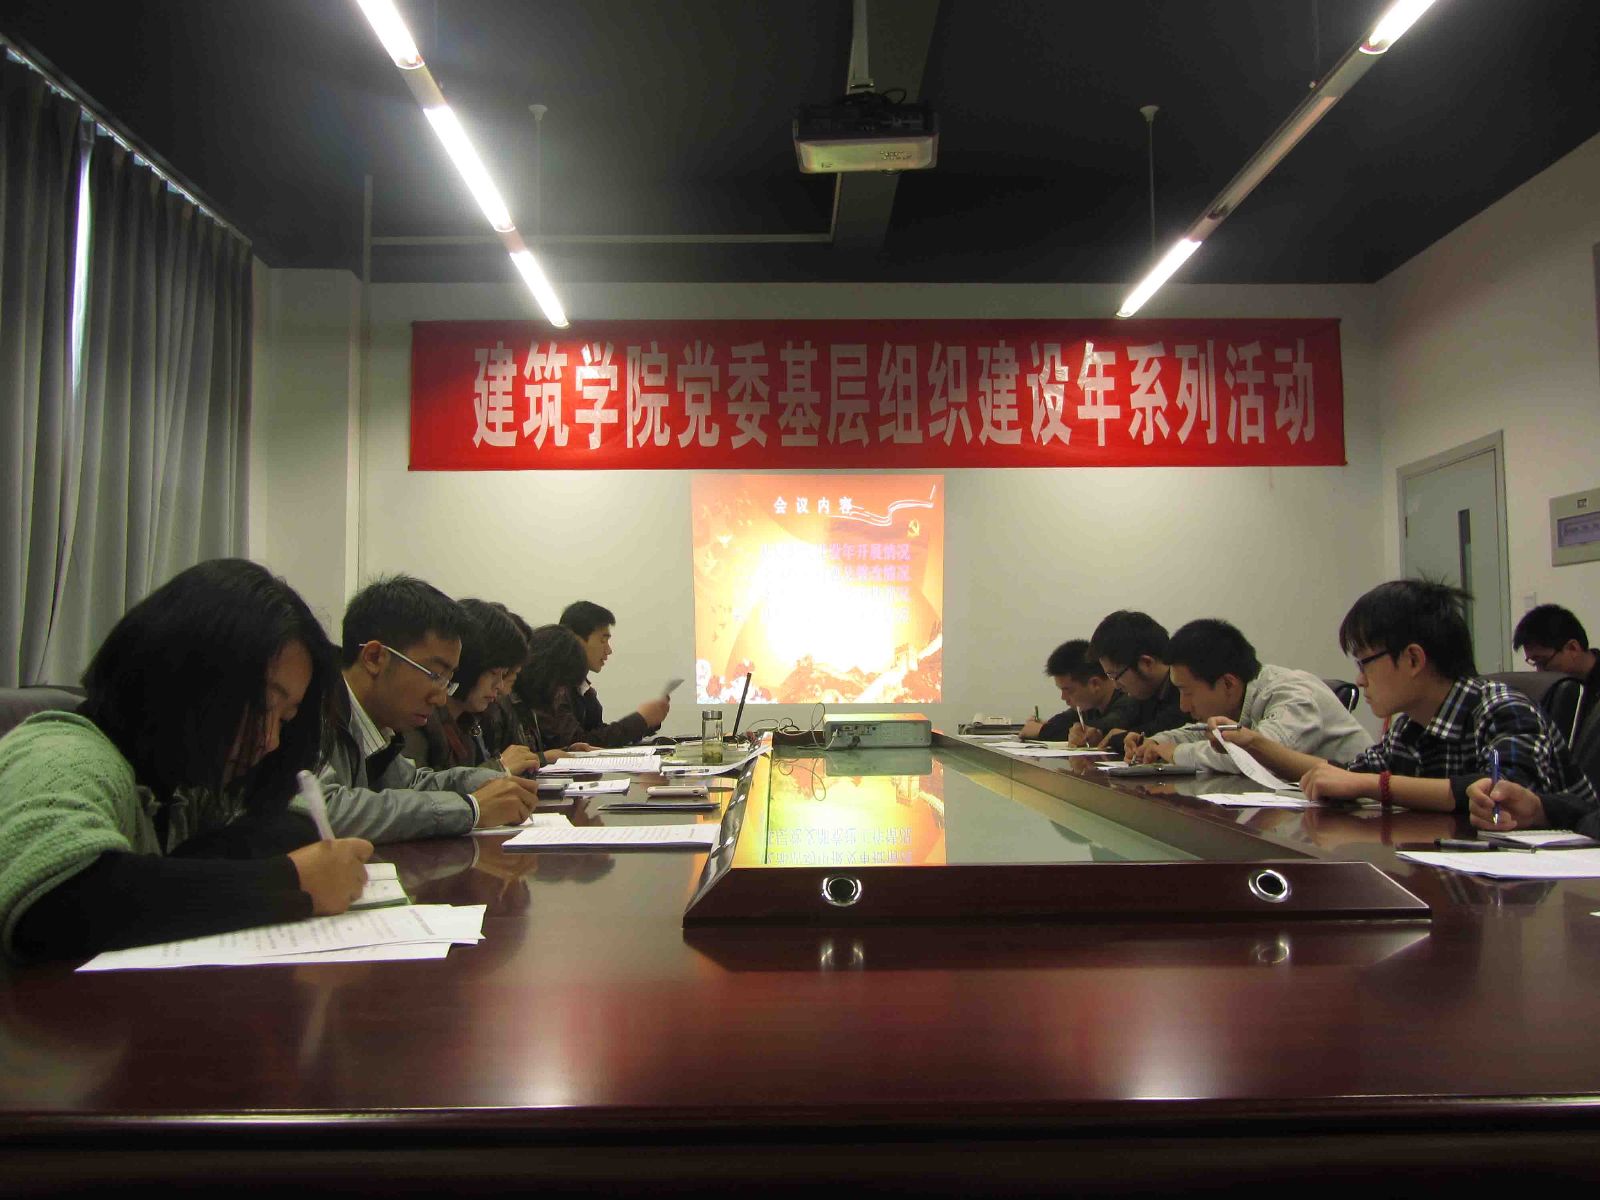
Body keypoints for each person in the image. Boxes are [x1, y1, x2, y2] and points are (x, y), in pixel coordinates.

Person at [0, 559, 372, 962]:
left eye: (285, 719)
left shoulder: (184, 779)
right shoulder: (63, 754)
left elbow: (292, 818)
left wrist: (181, 872)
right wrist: (291, 879)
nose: (270, 741)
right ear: (184, 669)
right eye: (263, 705)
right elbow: (55, 904)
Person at [1221, 580, 1597, 811]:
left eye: (1365, 663)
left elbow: (1505, 796)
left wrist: (1374, 786)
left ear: (1413, 659)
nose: (1360, 680)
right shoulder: (1410, 728)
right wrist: (1253, 742)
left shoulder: (1502, 708)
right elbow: (1343, 776)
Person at [317, 575, 542, 842]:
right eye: (435, 675)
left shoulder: (376, 722)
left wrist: (491, 782)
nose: (441, 698)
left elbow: (413, 783)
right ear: (375, 658)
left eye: (448, 680)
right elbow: (325, 812)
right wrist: (471, 808)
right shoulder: (312, 707)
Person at [1128, 618, 1372, 769]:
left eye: (1187, 692)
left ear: (1228, 684)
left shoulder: (1293, 694)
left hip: (1370, 818)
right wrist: (1157, 742)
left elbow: (1255, 756)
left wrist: (1176, 753)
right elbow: (1202, 734)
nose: (1183, 706)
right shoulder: (1240, 699)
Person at [404, 599, 541, 776]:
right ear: (469, 663)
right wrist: (499, 768)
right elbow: (415, 790)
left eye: (504, 675)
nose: (499, 686)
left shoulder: (469, 721)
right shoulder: (420, 719)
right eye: (493, 672)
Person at [559, 599, 671, 746]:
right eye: (603, 641)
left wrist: (647, 721)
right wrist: (641, 720)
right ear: (576, 641)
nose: (609, 650)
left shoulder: (582, 687)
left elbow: (597, 734)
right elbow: (580, 743)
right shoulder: (554, 687)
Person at [1087, 611, 1187, 756]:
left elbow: (1159, 731)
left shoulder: (1184, 691)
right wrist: (1097, 731)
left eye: (1115, 676)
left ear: (1146, 663)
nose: (1116, 685)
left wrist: (1120, 738)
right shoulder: (1145, 693)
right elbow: (1121, 718)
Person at [1018, 639, 1140, 745]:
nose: (1063, 697)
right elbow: (1064, 720)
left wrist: (1042, 730)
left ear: (1094, 684)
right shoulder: (1090, 706)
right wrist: (1046, 725)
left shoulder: (1129, 700)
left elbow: (1099, 728)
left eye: (1067, 690)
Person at [1512, 603, 1600, 726]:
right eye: (1534, 662)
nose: (1540, 671)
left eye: (1543, 662)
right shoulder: (1553, 691)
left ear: (1573, 648)